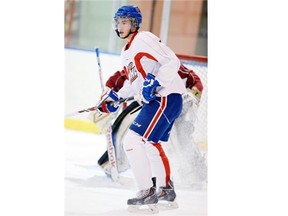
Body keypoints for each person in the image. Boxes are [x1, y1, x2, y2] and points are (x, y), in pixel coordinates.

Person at [96, 5, 200, 211]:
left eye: (125, 22)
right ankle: (164, 189)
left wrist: (156, 82)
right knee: (151, 143)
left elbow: (172, 60)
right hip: (161, 99)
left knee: (133, 140)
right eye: (118, 22)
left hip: (165, 96)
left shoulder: (143, 39)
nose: (121, 26)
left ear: (134, 23)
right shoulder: (126, 51)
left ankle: (146, 191)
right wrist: (116, 96)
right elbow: (134, 83)